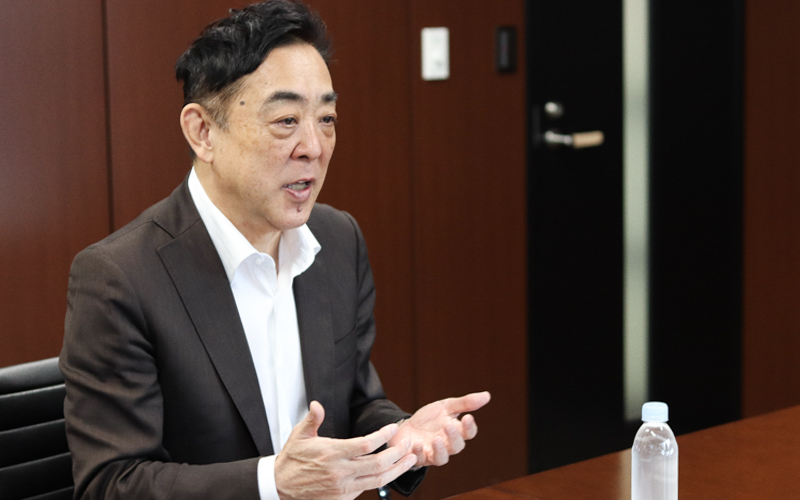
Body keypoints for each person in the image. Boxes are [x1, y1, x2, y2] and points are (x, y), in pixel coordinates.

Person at [59, 1, 490, 499]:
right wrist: (273, 484)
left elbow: (355, 402)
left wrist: (399, 436)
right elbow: (111, 484)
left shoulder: (337, 240)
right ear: (203, 132)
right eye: (286, 120)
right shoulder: (120, 277)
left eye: (326, 118)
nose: (314, 146)